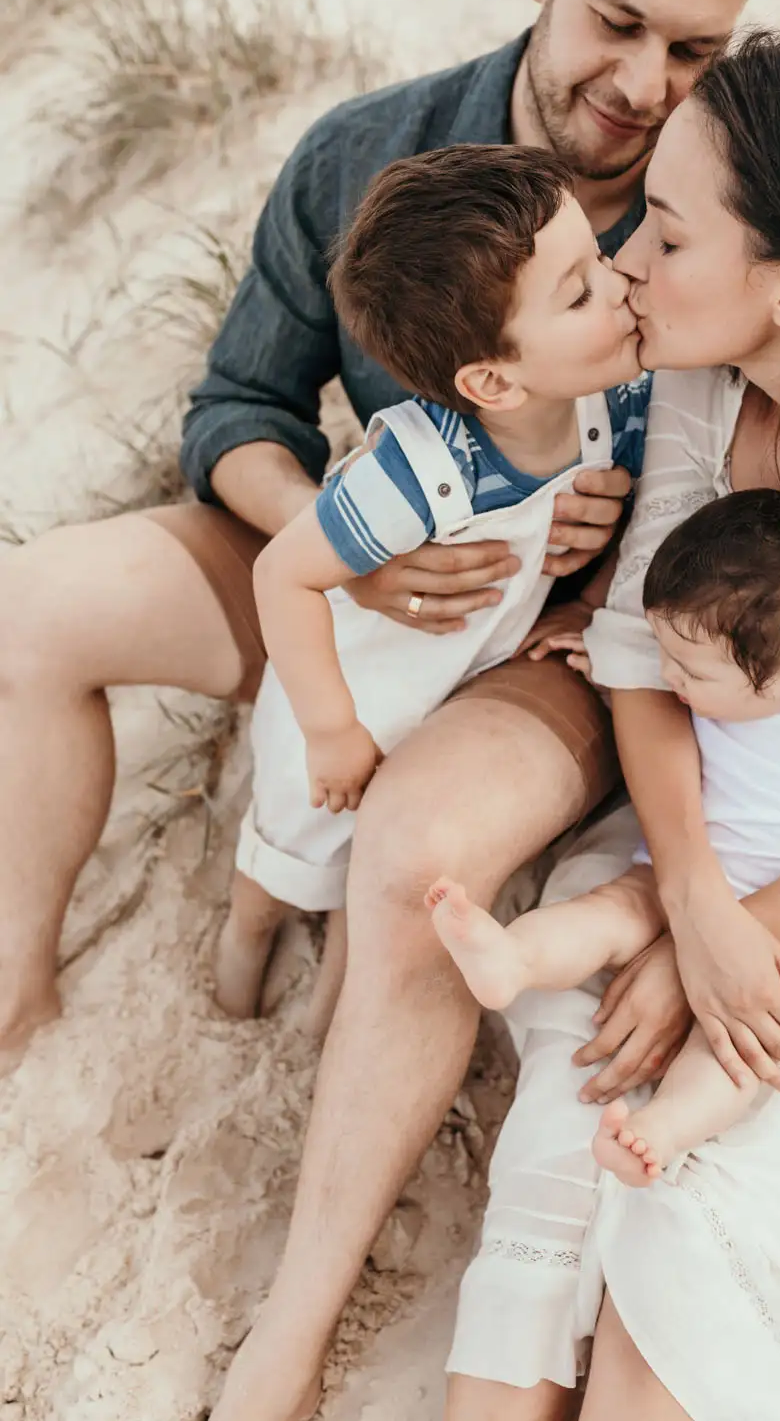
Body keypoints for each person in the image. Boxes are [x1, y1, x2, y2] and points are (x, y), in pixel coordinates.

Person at [0, 0, 780, 1419]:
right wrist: (345, 545)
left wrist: (595, 587)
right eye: (617, 22)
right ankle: (17, 996)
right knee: (29, 609)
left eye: (696, 51)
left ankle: (289, 1338)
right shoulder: (371, 152)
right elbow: (237, 405)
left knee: (417, 850)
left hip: (564, 649)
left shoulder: (722, 207)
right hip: (358, 562)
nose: (643, 84)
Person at [444, 30, 780, 1421]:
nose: (628, 260)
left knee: (688, 1282)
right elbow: (639, 650)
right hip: (712, 821)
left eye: (669, 236)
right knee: (572, 1134)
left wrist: (752, 938)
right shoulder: (707, 372)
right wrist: (692, 900)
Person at [216, 142, 649, 1017]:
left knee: (367, 885)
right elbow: (283, 575)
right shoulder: (419, 471)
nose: (619, 284)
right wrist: (332, 729)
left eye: (600, 260)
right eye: (580, 292)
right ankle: (239, 956)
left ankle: (321, 1028)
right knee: (285, 857)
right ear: (492, 379)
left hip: (451, 692)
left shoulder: (615, 402)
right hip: (357, 690)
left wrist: (605, 557)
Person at [429, 488, 780, 1185]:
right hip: (683, 870)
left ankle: (664, 1129)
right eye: (665, 654)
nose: (668, 677)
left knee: (765, 1029)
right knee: (611, 910)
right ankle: (513, 958)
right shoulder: (714, 686)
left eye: (688, 669)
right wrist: (601, 664)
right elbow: (649, 694)